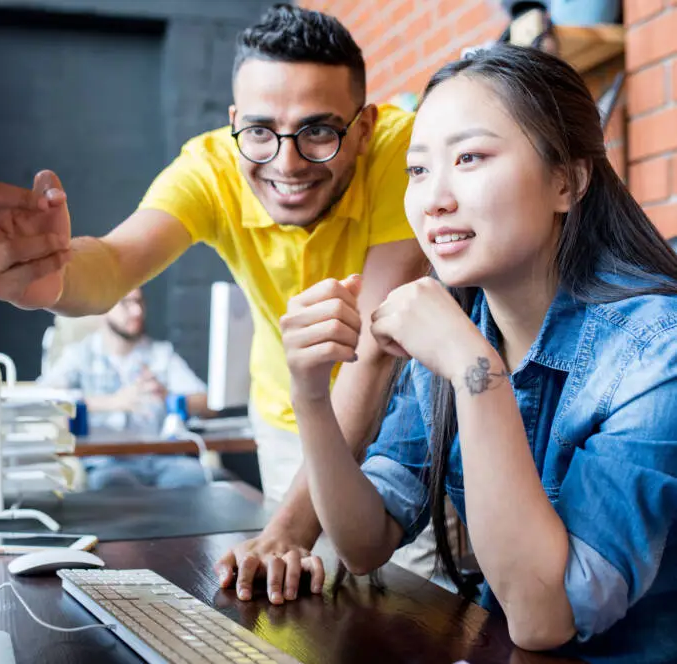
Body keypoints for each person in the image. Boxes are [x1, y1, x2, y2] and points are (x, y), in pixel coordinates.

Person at [0, 4, 427, 601]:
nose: (286, 163)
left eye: (319, 131)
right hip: (289, 425)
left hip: (401, 425)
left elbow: (373, 355)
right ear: (235, 122)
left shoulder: (404, 154)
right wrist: (47, 277)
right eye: (259, 131)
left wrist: (285, 529)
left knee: (418, 605)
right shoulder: (212, 165)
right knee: (310, 612)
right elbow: (117, 262)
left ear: (362, 127)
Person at [281, 44, 677, 661]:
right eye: (417, 170)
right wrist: (309, 392)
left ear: (566, 182)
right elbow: (365, 541)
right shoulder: (462, 325)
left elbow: (547, 617)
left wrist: (477, 374)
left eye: (469, 157)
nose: (433, 199)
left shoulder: (658, 349)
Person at [39, 288, 210, 490]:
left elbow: (209, 402)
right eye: (125, 303)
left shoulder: (160, 355)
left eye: (139, 302)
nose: (137, 311)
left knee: (194, 479)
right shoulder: (79, 355)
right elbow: (43, 399)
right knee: (116, 487)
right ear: (102, 310)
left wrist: (167, 396)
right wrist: (111, 402)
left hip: (162, 458)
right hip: (106, 461)